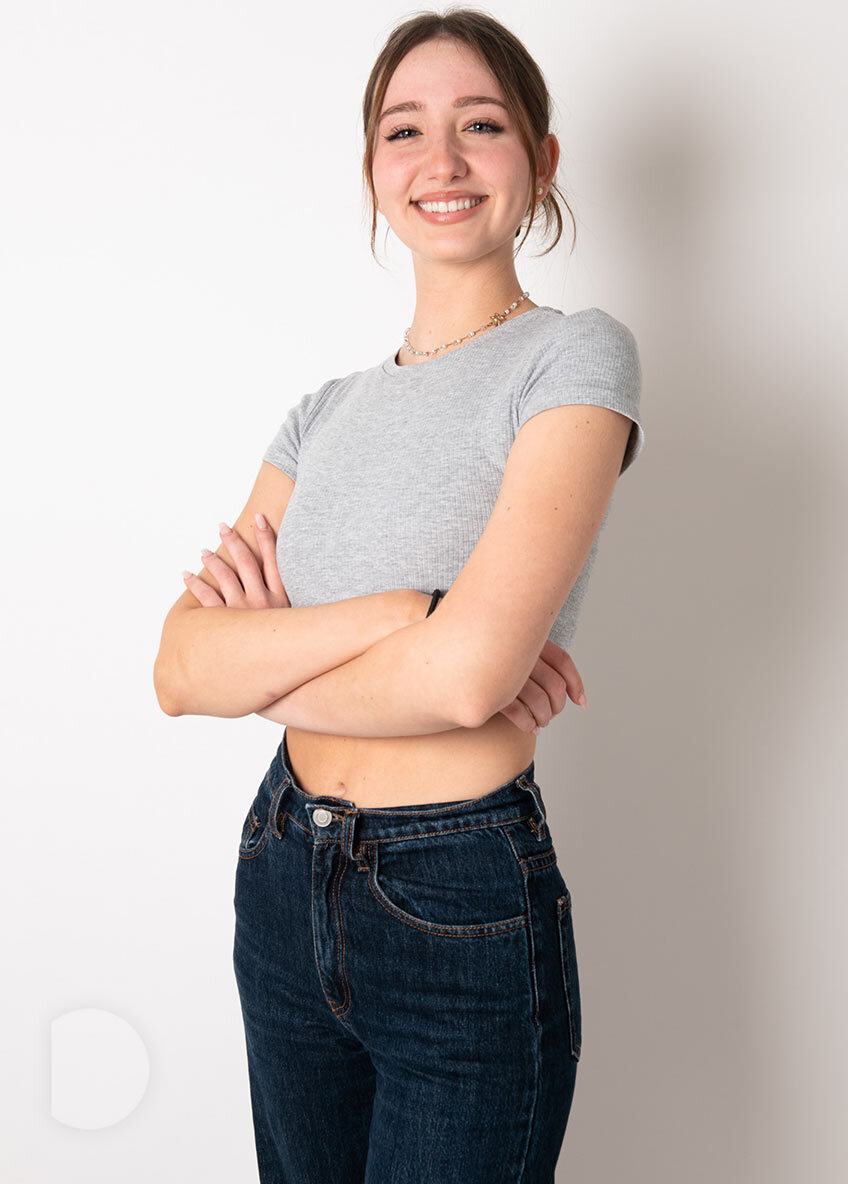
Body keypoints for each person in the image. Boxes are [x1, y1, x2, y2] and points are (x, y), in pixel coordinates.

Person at [154, 9, 646, 1182]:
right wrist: (405, 612)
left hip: (455, 894)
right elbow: (178, 669)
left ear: (539, 158)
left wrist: (269, 655)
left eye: (480, 125)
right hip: (282, 867)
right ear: (373, 168)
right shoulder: (319, 414)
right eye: (403, 130)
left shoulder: (573, 357)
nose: (441, 160)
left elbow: (468, 680)